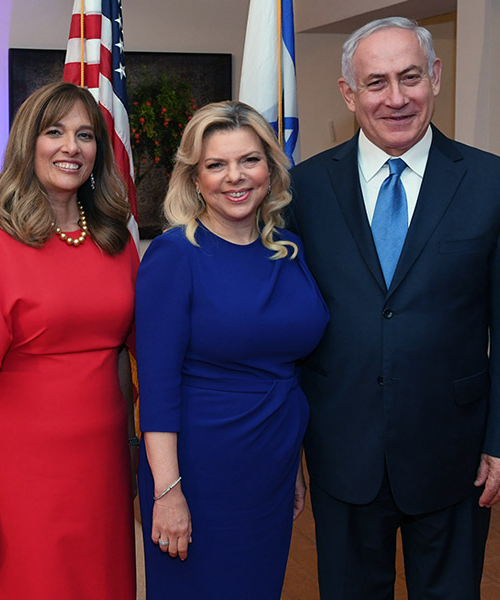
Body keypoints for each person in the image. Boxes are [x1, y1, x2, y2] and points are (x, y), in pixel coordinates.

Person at [289, 16, 500, 599]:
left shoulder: (490, 182)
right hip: (340, 449)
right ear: (348, 93)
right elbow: (283, 325)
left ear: (435, 77)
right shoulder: (301, 190)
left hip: (454, 453)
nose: (396, 97)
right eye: (376, 82)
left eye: (410, 77)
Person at [0, 81, 138, 599]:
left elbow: (133, 356)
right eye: (55, 132)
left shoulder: (116, 239)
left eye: (85, 135)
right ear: (29, 143)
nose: (71, 147)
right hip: (19, 474)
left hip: (104, 470)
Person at [136, 100, 329, 598]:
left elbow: (291, 363)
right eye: (215, 164)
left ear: (270, 166)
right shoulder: (174, 255)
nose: (234, 177)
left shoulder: (290, 250)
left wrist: (296, 469)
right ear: (194, 178)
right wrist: (168, 492)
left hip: (273, 461)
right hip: (199, 469)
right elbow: (156, 387)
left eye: (249, 160)